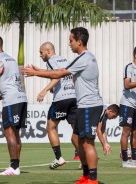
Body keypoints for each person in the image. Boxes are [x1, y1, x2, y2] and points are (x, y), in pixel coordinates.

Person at [22, 27, 103, 184]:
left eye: (71, 40)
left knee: (87, 143)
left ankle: (92, 179)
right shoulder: (84, 57)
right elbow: (63, 72)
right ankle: (86, 176)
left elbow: (59, 74)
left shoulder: (84, 58)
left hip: (90, 105)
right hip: (81, 104)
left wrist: (35, 73)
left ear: (79, 42)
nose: (69, 44)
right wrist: (41, 70)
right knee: (77, 139)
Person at [37, 42, 79, 169]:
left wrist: (44, 90)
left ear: (48, 51)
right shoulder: (65, 60)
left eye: (41, 52)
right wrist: (55, 88)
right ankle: (84, 159)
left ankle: (59, 158)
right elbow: (72, 77)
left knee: (50, 127)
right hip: (73, 97)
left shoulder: (50, 61)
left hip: (61, 100)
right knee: (76, 129)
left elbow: (57, 77)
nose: (40, 55)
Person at [0, 35, 28, 175]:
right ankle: (15, 166)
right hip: (21, 97)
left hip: (11, 100)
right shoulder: (12, 60)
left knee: (9, 132)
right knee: (15, 133)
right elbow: (10, 83)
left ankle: (14, 167)